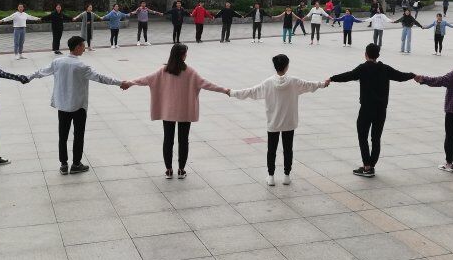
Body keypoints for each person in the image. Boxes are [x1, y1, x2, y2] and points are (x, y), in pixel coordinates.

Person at [29, 35, 128, 174]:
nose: (84, 49)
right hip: (78, 106)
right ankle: (76, 164)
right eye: (83, 46)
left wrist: (27, 77)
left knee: (62, 136)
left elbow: (41, 72)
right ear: (77, 47)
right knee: (78, 135)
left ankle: (63, 165)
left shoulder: (58, 62)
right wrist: (120, 83)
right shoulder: (82, 66)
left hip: (63, 105)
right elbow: (100, 77)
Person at [129, 43, 229, 179]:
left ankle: (169, 170)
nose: (186, 55)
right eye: (185, 53)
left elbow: (145, 79)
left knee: (168, 140)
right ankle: (181, 170)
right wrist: (225, 90)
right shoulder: (190, 72)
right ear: (182, 56)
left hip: (168, 112)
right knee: (183, 140)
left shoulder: (163, 71)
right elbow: (207, 84)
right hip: (185, 112)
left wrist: (130, 83)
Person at [230, 54, 326, 186]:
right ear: (286, 66)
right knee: (288, 149)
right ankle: (286, 176)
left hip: (273, 123)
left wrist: (232, 92)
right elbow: (310, 85)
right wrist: (323, 84)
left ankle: (271, 176)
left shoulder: (268, 83)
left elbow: (251, 92)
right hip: (289, 122)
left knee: (271, 150)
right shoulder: (294, 82)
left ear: (275, 66)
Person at [328, 43, 415, 177]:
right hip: (381, 110)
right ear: (378, 55)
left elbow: (348, 76)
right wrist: (413, 75)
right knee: (376, 138)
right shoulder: (385, 68)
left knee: (362, 136)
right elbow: (400, 76)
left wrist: (332, 78)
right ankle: (371, 165)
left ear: (366, 55)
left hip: (366, 109)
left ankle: (367, 167)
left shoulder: (363, 68)